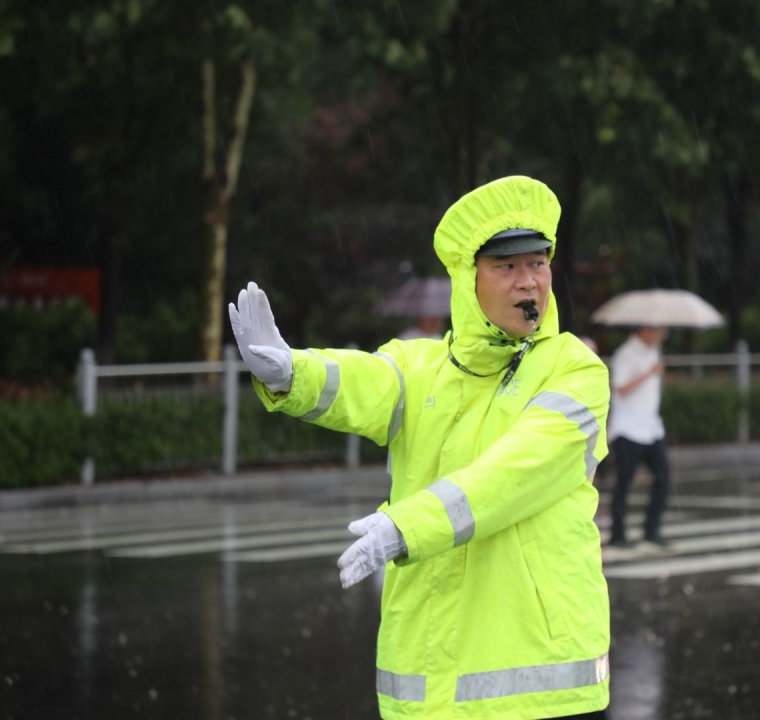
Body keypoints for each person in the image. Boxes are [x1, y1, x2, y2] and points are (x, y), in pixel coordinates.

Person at [229, 175, 611, 719]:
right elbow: (362, 380)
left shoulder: (575, 370)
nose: (528, 281)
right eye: (506, 267)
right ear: (468, 280)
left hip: (542, 692)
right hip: (427, 690)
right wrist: (292, 372)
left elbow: (517, 474)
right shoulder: (422, 365)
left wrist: (406, 527)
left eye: (538, 263)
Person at [605, 326, 672, 549]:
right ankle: (618, 535)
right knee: (623, 483)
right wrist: (649, 373)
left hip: (651, 427)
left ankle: (651, 531)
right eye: (660, 330)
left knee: (663, 479)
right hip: (628, 428)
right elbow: (620, 388)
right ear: (646, 329)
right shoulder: (626, 353)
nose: (663, 335)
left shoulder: (654, 351)